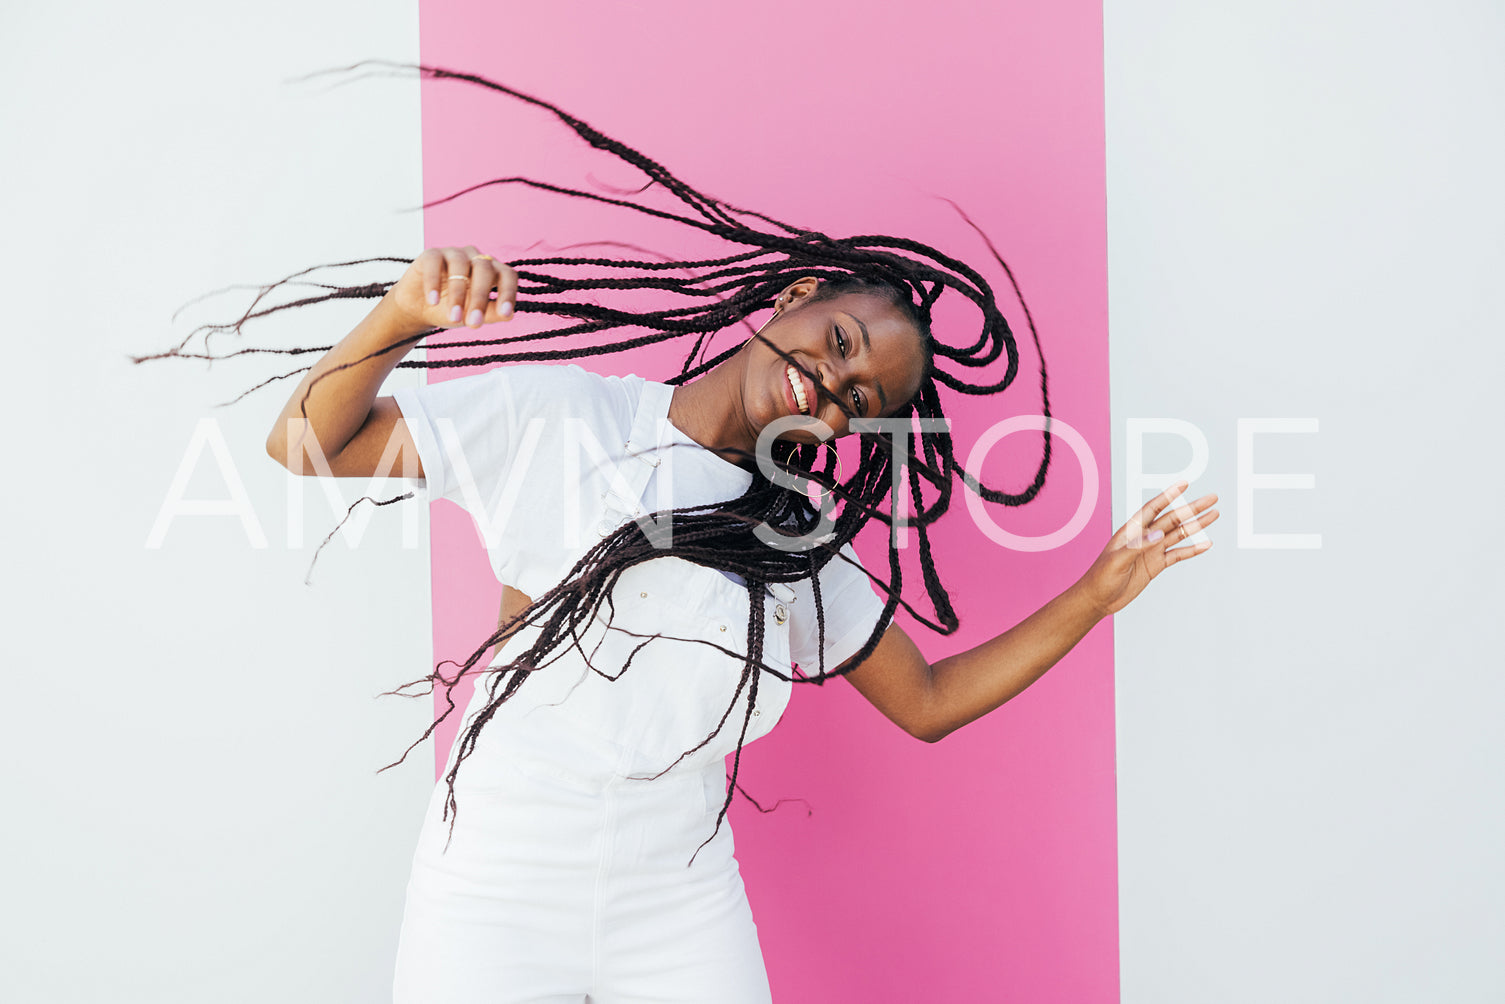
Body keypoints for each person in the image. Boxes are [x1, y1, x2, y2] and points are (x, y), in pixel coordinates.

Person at [246, 66, 1219, 1004]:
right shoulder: (564, 419)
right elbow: (303, 442)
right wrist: (404, 312)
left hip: (675, 898)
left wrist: (1096, 589)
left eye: (857, 399)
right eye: (838, 344)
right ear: (795, 299)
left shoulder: (788, 537)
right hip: (495, 880)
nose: (829, 387)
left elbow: (926, 698)